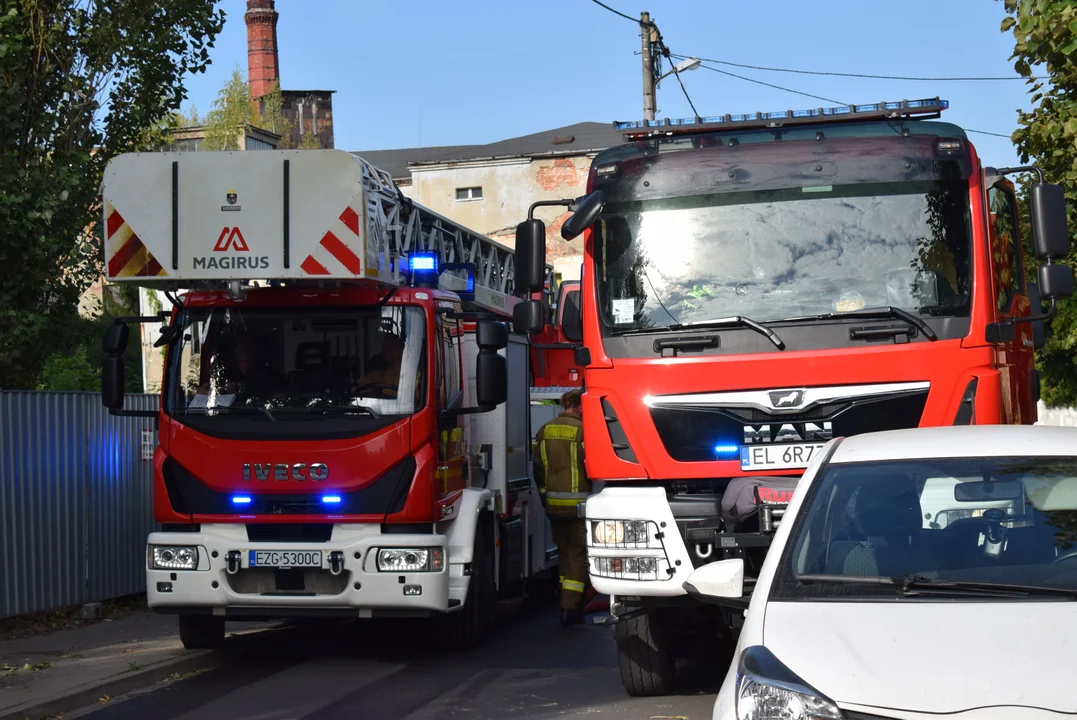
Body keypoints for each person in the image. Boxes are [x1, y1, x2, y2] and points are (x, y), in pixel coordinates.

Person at [534, 388, 592, 626]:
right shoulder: (583, 431)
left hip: (554, 506)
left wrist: (545, 498)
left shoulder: (545, 430)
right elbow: (592, 465)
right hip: (578, 506)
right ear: (579, 407)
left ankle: (565, 602)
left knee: (564, 555)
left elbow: (538, 469)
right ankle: (571, 609)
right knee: (577, 556)